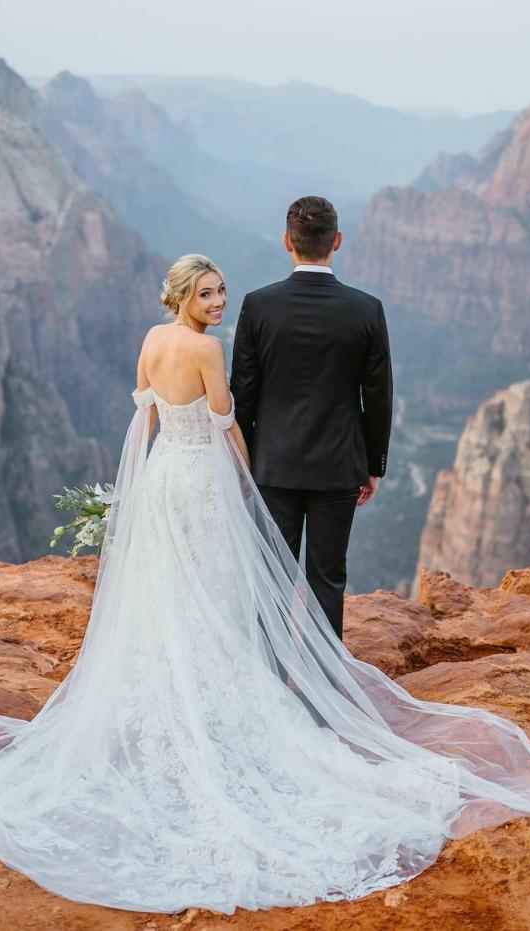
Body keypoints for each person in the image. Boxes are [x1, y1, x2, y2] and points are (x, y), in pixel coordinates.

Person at [0, 252, 530, 915]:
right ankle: (223, 702)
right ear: (183, 296)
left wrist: (139, 491)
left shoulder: (150, 340)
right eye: (207, 292)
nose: (219, 300)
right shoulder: (206, 349)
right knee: (214, 590)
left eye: (221, 291)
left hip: (164, 480)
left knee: (169, 591)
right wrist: (248, 471)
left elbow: (143, 416)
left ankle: (164, 700)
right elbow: (226, 420)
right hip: (202, 478)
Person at [231, 195, 390, 639]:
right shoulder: (367, 309)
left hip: (272, 466)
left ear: (288, 242)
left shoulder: (257, 305)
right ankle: (323, 692)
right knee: (327, 580)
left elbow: (243, 394)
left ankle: (270, 679)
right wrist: (373, 465)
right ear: (337, 241)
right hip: (340, 466)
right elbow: (377, 396)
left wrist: (245, 459)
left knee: (273, 579)